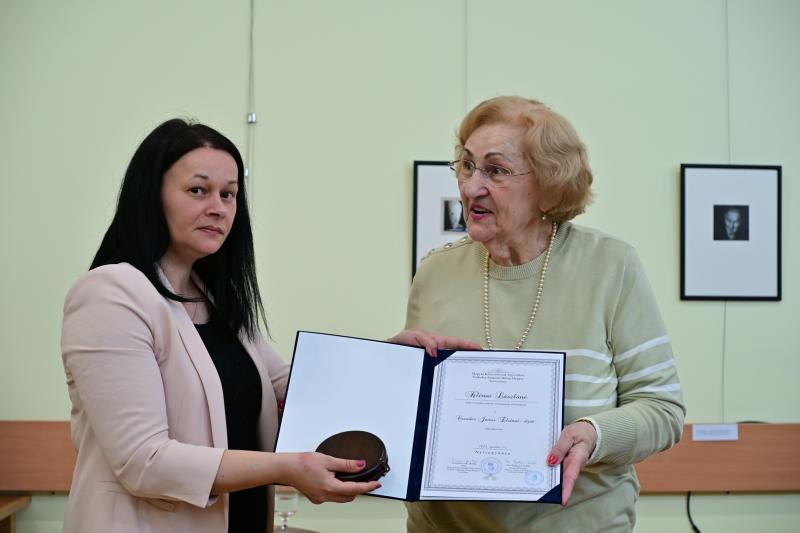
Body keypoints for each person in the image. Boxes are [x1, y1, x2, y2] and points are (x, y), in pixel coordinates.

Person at [60, 118, 478, 533]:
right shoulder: (110, 294)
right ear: (151, 196)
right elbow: (144, 461)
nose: (218, 207)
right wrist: (286, 467)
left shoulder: (215, 301)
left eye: (229, 194)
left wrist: (390, 357)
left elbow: (296, 389)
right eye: (198, 190)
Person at [405, 96, 685, 532]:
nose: (471, 187)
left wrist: (594, 434)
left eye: (495, 171)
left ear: (549, 184)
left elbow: (662, 409)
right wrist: (392, 370)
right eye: (466, 165)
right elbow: (412, 413)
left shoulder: (610, 266)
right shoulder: (436, 271)